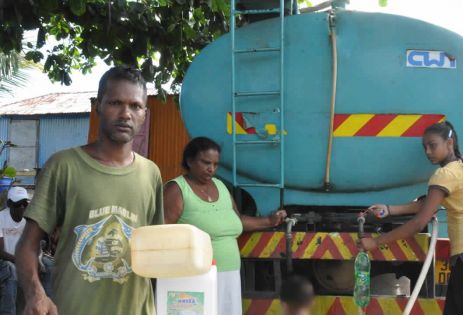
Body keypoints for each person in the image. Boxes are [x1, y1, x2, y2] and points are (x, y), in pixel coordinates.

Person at [16, 66, 163, 315]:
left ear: (144, 114)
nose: (126, 114)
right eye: (116, 102)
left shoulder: (151, 174)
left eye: (135, 106)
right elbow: (26, 246)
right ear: (98, 106)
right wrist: (36, 294)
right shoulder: (64, 166)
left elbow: (157, 252)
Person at [359, 121, 463, 315]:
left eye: (433, 145)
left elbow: (418, 222)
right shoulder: (462, 168)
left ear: (449, 143)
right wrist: (389, 210)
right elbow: (426, 204)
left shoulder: (445, 174)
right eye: (425, 147)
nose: (428, 151)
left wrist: (376, 242)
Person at [163, 137, 287, 315]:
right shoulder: (176, 190)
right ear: (189, 161)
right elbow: (162, 234)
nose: (211, 169)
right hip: (192, 278)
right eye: (206, 162)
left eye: (215, 164)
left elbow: (237, 220)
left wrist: (269, 221)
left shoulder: (220, 186)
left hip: (229, 274)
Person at [0, 187, 30, 315]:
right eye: (19, 204)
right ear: (9, 204)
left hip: (21, 260)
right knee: (10, 269)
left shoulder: (29, 219)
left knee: (49, 266)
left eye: (25, 203)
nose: (22, 207)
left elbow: (34, 245)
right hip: (4, 262)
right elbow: (0, 252)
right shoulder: (1, 218)